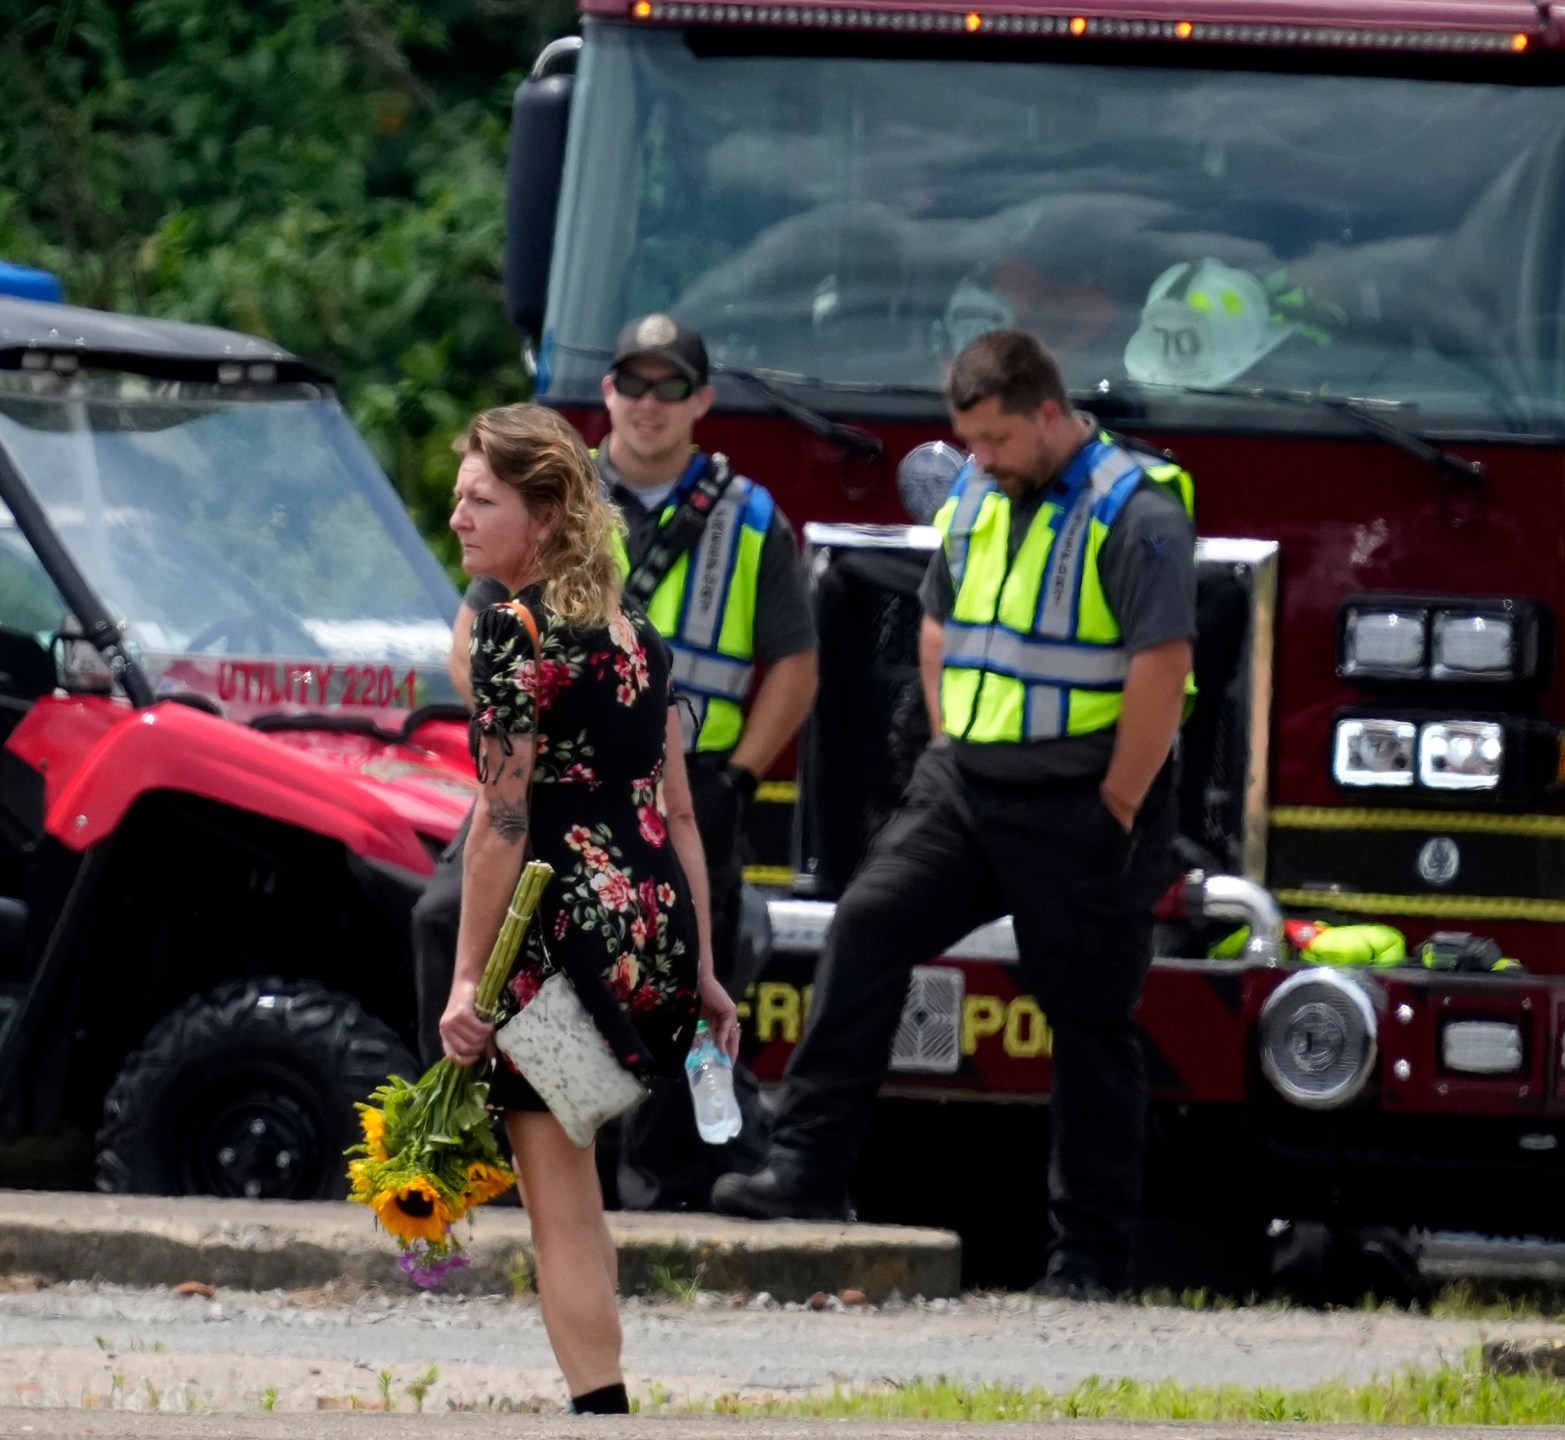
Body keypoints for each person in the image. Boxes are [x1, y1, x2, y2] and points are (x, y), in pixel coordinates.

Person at [711, 331, 1195, 1301]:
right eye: (967, 439)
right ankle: (806, 1172)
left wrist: (1118, 807)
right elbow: (938, 621)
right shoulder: (980, 495)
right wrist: (944, 742)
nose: (977, 456)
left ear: (1049, 415)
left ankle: (1088, 1261)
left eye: (995, 438)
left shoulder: (1134, 513)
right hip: (965, 787)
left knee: (1090, 1021)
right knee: (868, 924)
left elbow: (1162, 668)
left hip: (1084, 799)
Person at [413, 313, 816, 1210]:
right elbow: (471, 643)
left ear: (701, 402)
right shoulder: (544, 491)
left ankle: (633, 1164)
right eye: (631, 382)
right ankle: (527, 1140)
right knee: (455, 920)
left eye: (669, 385)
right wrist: (512, 735)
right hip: (574, 790)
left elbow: (795, 663)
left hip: (671, 781)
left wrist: (738, 775)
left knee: (640, 963)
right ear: (606, 395)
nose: (647, 402)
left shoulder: (746, 521)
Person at [437, 403, 742, 1413]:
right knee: (581, 1181)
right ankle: (601, 1400)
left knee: (560, 1204)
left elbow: (500, 824)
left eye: (481, 501)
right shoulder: (638, 640)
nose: (459, 520)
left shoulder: (509, 635)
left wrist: (468, 979)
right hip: (648, 934)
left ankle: (600, 1410)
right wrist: (697, 971)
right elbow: (681, 816)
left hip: (555, 936)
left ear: (546, 511)